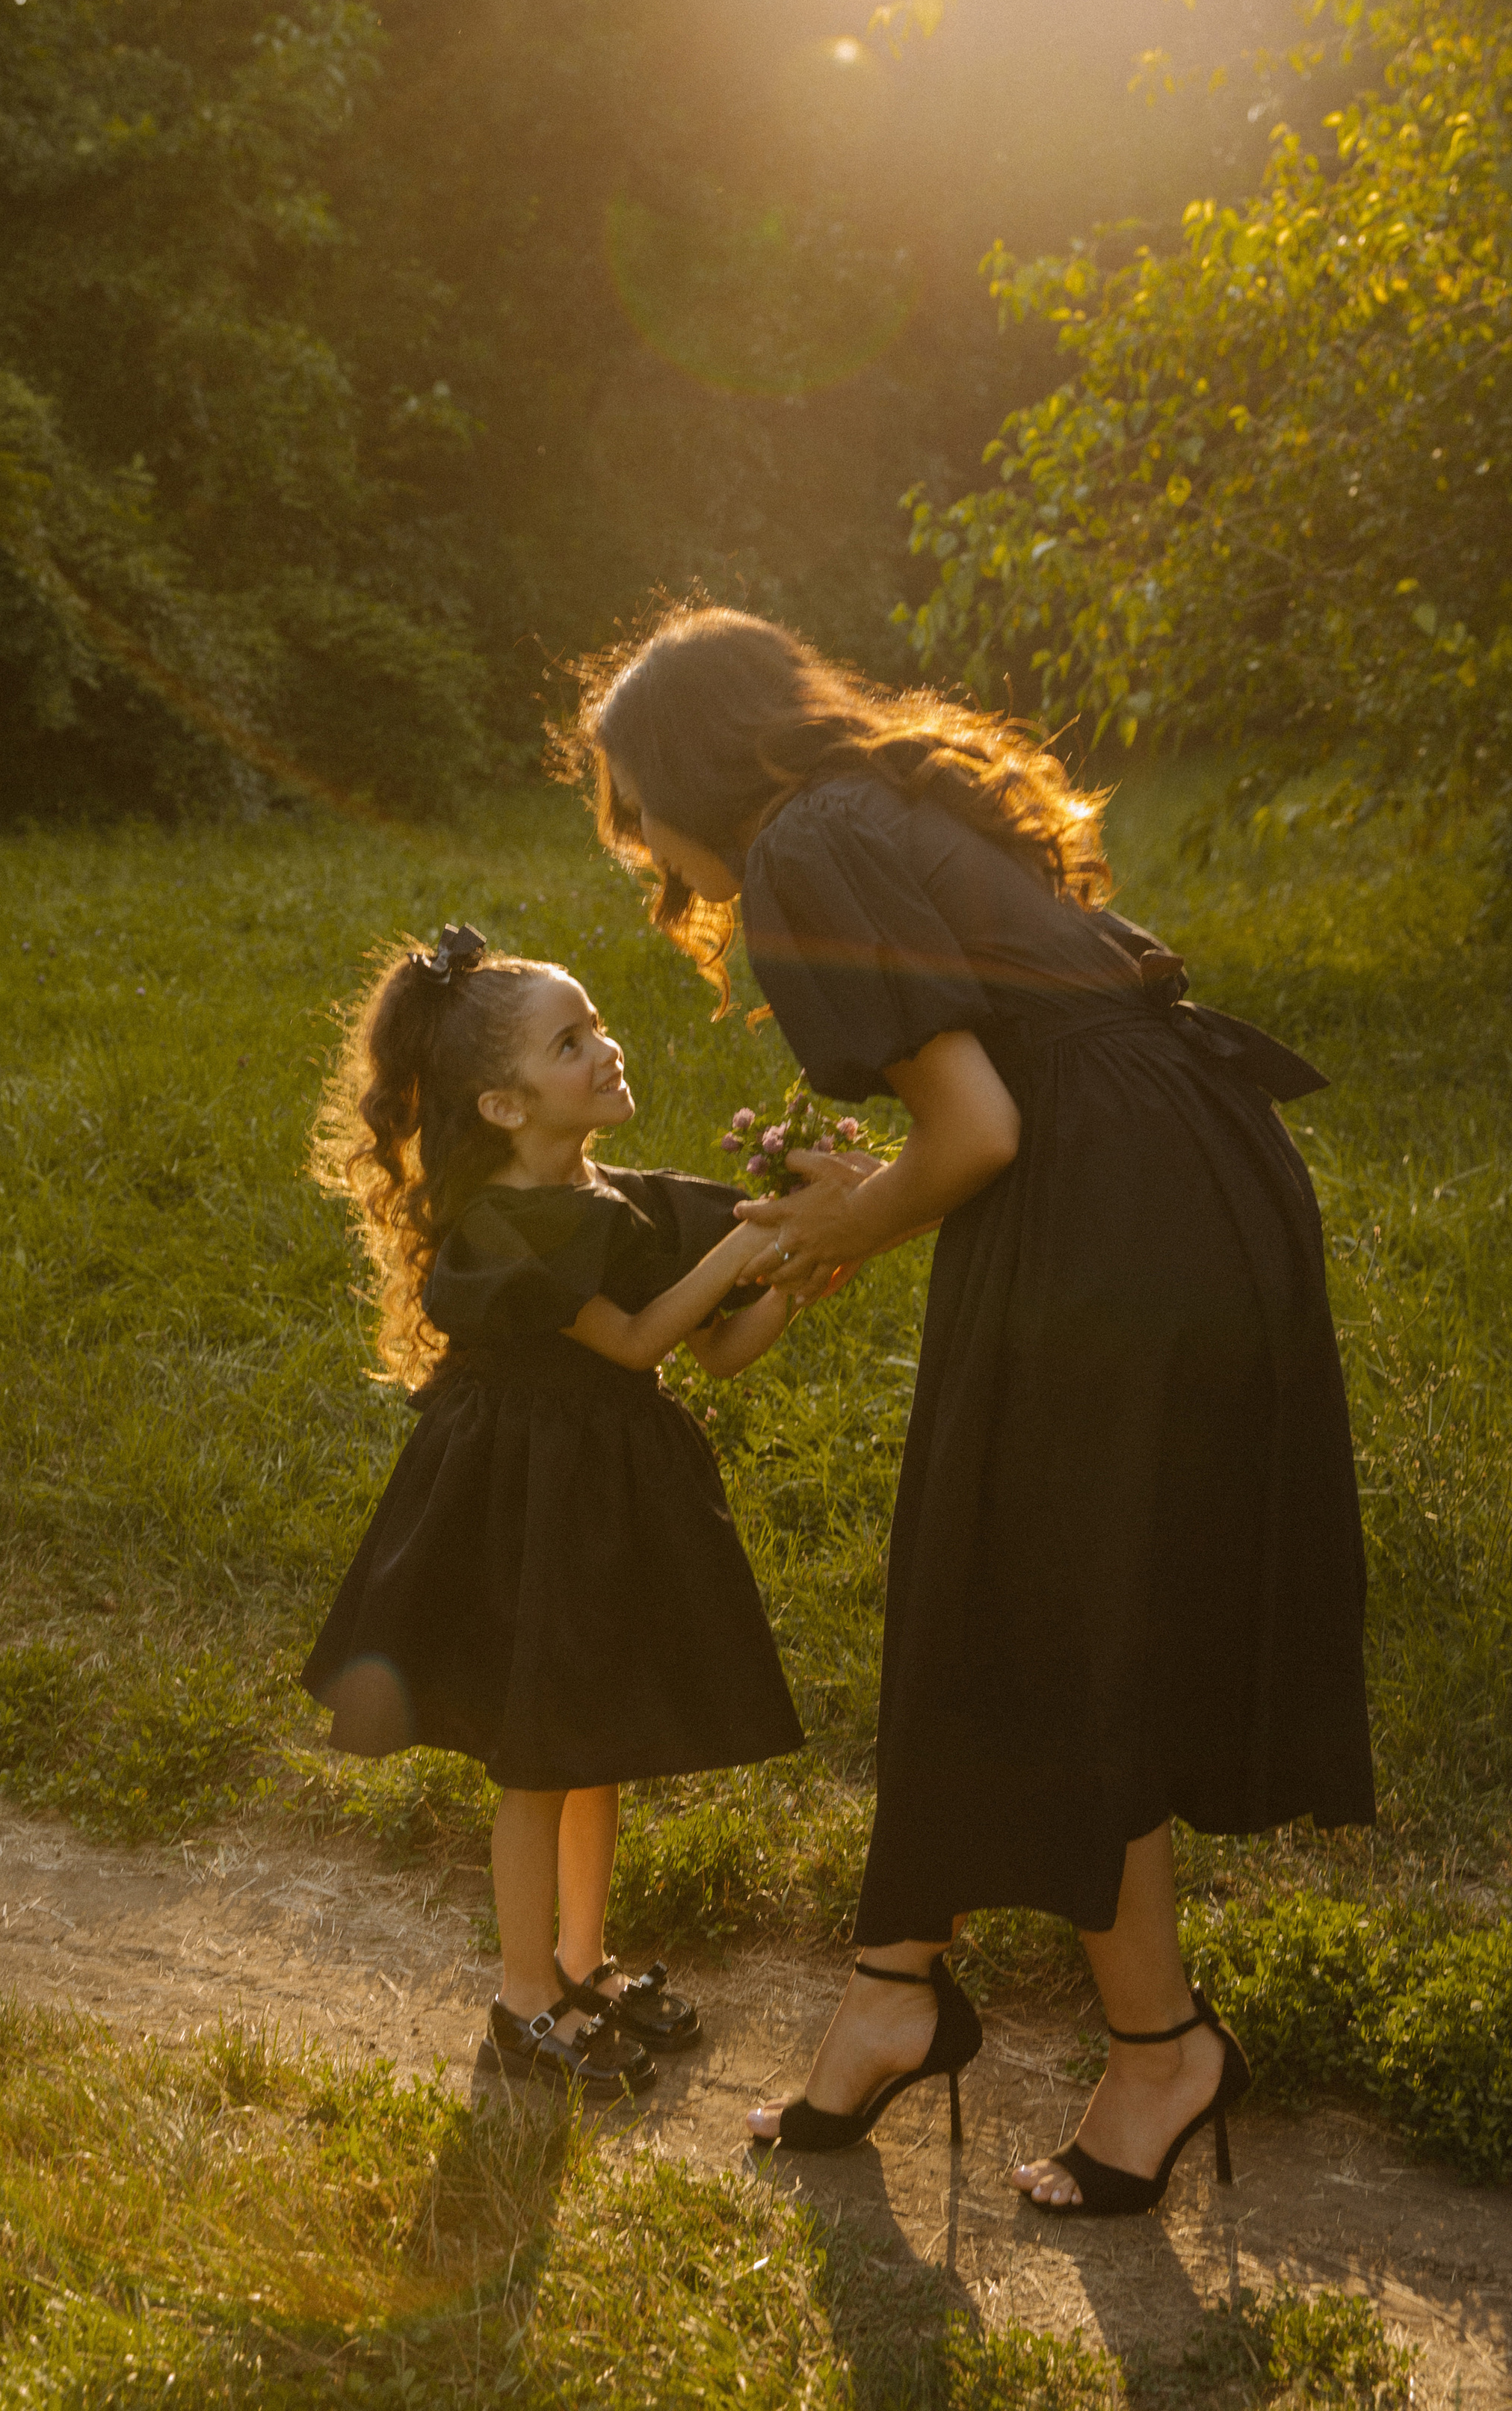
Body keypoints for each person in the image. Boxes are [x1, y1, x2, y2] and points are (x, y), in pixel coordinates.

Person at [566, 606, 1374, 2212]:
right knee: (1017, 1594)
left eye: (629, 807)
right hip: (1172, 1177)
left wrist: (844, 1219)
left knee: (1051, 1608)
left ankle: (1141, 2049)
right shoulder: (878, 800)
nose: (637, 848)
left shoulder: (802, 842)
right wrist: (881, 1189)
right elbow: (1013, 1089)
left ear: (687, 774)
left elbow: (979, 1126)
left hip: (1104, 1211)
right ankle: (904, 1989)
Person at [301, 922, 807, 2096]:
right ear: (502, 1108)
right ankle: (523, 1998)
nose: (607, 1049)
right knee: (535, 1760)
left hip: (605, 1496)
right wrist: (744, 1254)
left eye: (597, 1026)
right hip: (523, 1504)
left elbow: (717, 1353)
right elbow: (634, 1341)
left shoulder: (615, 1197)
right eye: (570, 1042)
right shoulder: (506, 1228)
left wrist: (795, 1275)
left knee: (592, 1743)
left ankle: (581, 1965)